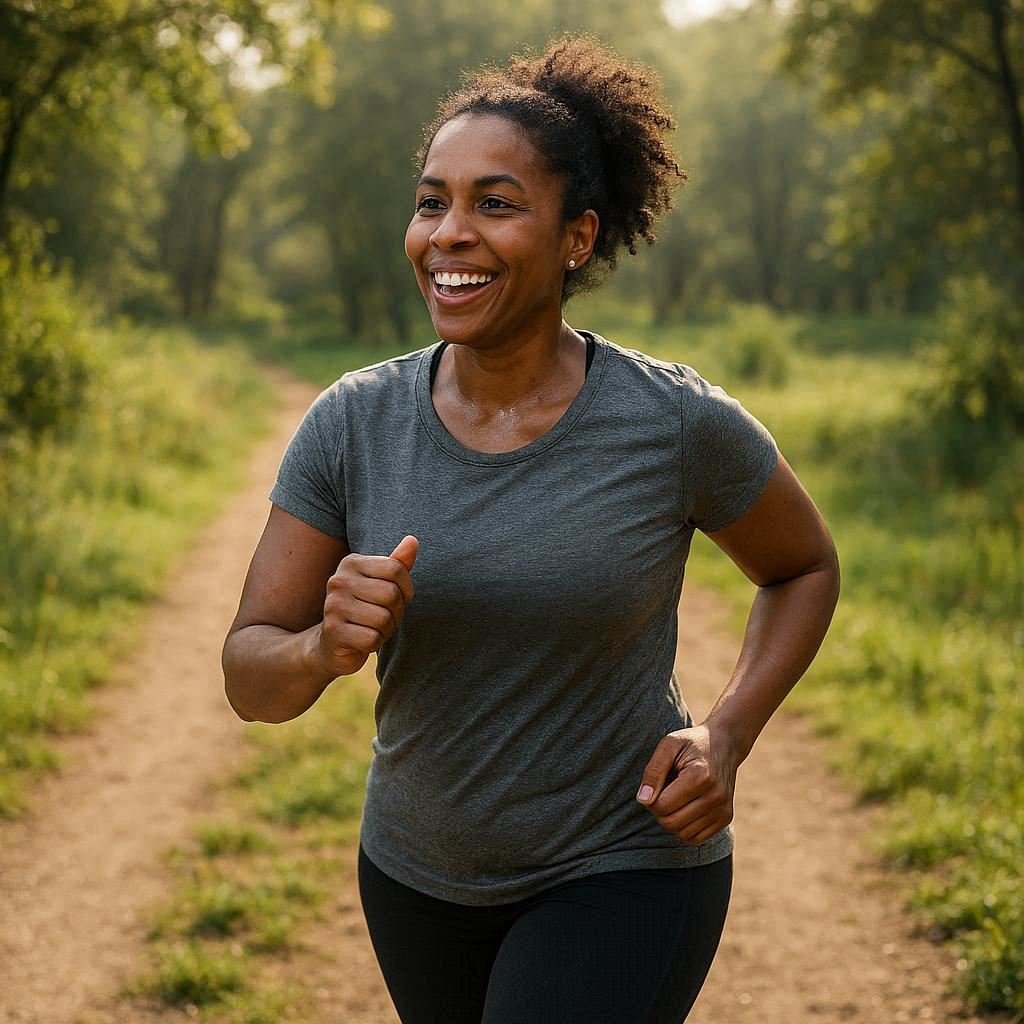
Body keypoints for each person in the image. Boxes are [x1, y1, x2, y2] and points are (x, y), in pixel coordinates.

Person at [222, 34, 840, 1024]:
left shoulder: (671, 422)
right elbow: (248, 675)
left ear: (577, 238)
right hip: (415, 876)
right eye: (433, 201)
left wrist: (725, 733)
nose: (449, 232)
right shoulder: (353, 422)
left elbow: (803, 563)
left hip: (622, 865)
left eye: (494, 203)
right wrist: (321, 646)